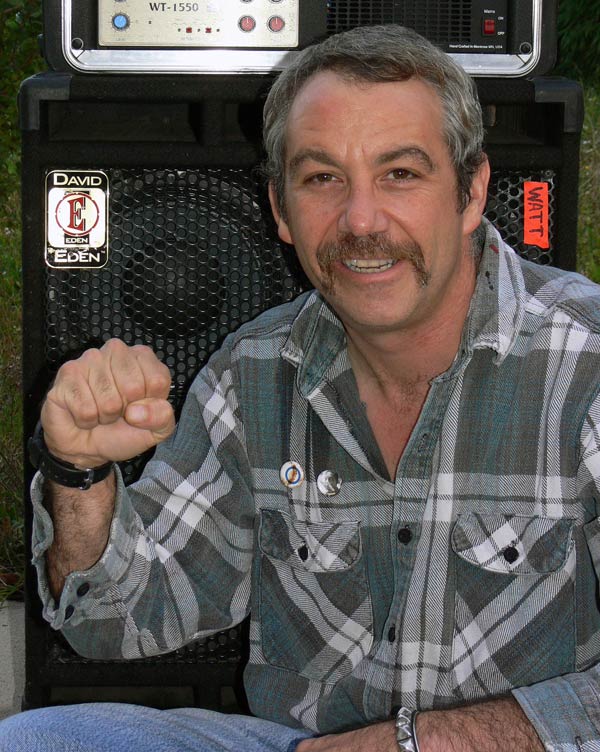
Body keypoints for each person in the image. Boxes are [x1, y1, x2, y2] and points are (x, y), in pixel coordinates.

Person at [1, 23, 599, 752]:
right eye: (322, 178)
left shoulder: (585, 362)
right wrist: (80, 474)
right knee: (40, 741)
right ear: (281, 210)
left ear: (473, 191)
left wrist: (419, 743)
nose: (361, 220)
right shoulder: (253, 370)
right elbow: (117, 622)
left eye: (400, 174)